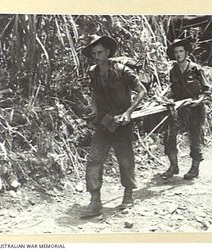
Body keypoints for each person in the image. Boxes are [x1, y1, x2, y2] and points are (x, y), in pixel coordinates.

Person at [81, 35, 147, 216]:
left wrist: (128, 113)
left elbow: (142, 91)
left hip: (121, 122)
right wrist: (94, 109)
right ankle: (95, 201)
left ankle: (128, 195)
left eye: (99, 52)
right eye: (93, 53)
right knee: (94, 159)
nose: (96, 56)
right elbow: (95, 93)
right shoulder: (93, 72)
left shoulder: (122, 70)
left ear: (108, 52)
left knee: (125, 160)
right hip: (103, 122)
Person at [161, 38, 212, 180]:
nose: (178, 54)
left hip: (195, 108)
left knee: (194, 138)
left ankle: (194, 168)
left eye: (181, 51)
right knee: (169, 135)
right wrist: (167, 98)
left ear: (186, 52)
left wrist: (199, 101)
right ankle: (173, 166)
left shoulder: (196, 69)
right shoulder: (173, 71)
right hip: (179, 109)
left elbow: (206, 90)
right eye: (176, 52)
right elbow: (173, 90)